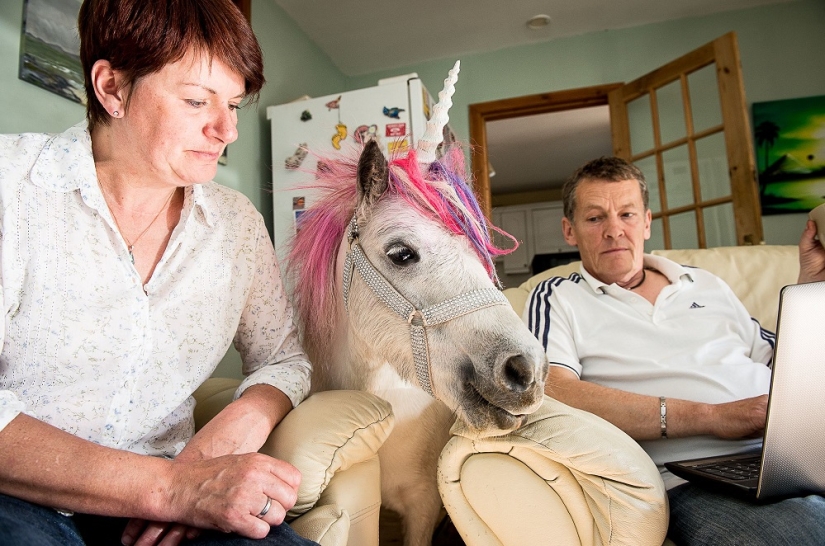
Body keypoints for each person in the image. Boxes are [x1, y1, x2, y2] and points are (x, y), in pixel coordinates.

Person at [0, 1, 319, 545]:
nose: (227, 130)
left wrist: (244, 419)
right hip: (19, 498)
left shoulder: (236, 224)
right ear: (113, 88)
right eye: (197, 100)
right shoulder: (12, 186)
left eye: (235, 105)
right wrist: (170, 487)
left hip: (172, 509)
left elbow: (285, 358)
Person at [525, 156, 825, 545]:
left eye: (627, 214)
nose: (614, 231)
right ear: (570, 230)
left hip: (792, 451)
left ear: (647, 221)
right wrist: (713, 417)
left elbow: (785, 360)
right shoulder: (556, 297)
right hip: (691, 476)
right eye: (596, 218)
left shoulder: (704, 283)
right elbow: (553, 391)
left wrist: (810, 285)